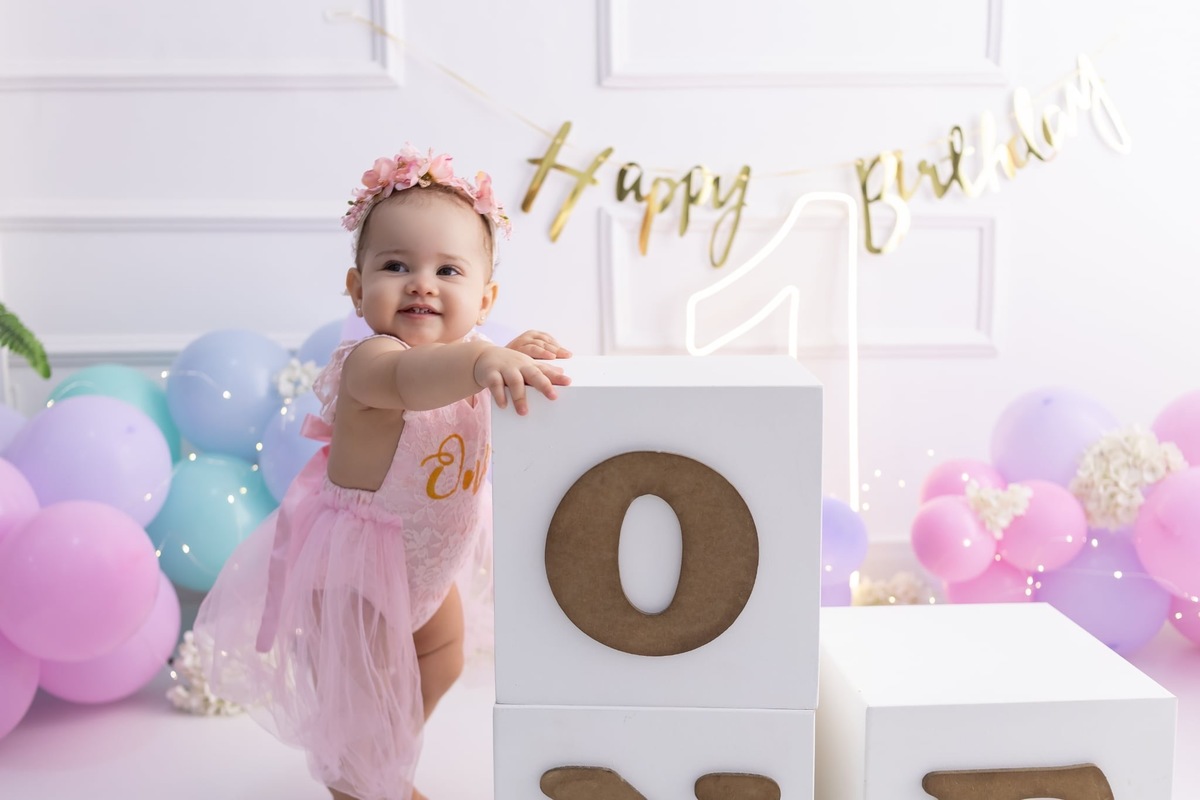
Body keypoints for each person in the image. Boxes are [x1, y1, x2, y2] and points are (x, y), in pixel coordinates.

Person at [193, 145, 571, 800]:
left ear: (484, 298)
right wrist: (484, 361)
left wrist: (504, 355)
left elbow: (461, 373)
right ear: (356, 287)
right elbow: (412, 379)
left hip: (426, 566)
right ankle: (363, 779)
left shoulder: (469, 358)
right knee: (367, 705)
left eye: (447, 270)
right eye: (396, 265)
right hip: (357, 575)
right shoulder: (369, 362)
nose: (421, 283)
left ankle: (375, 761)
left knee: (443, 658)